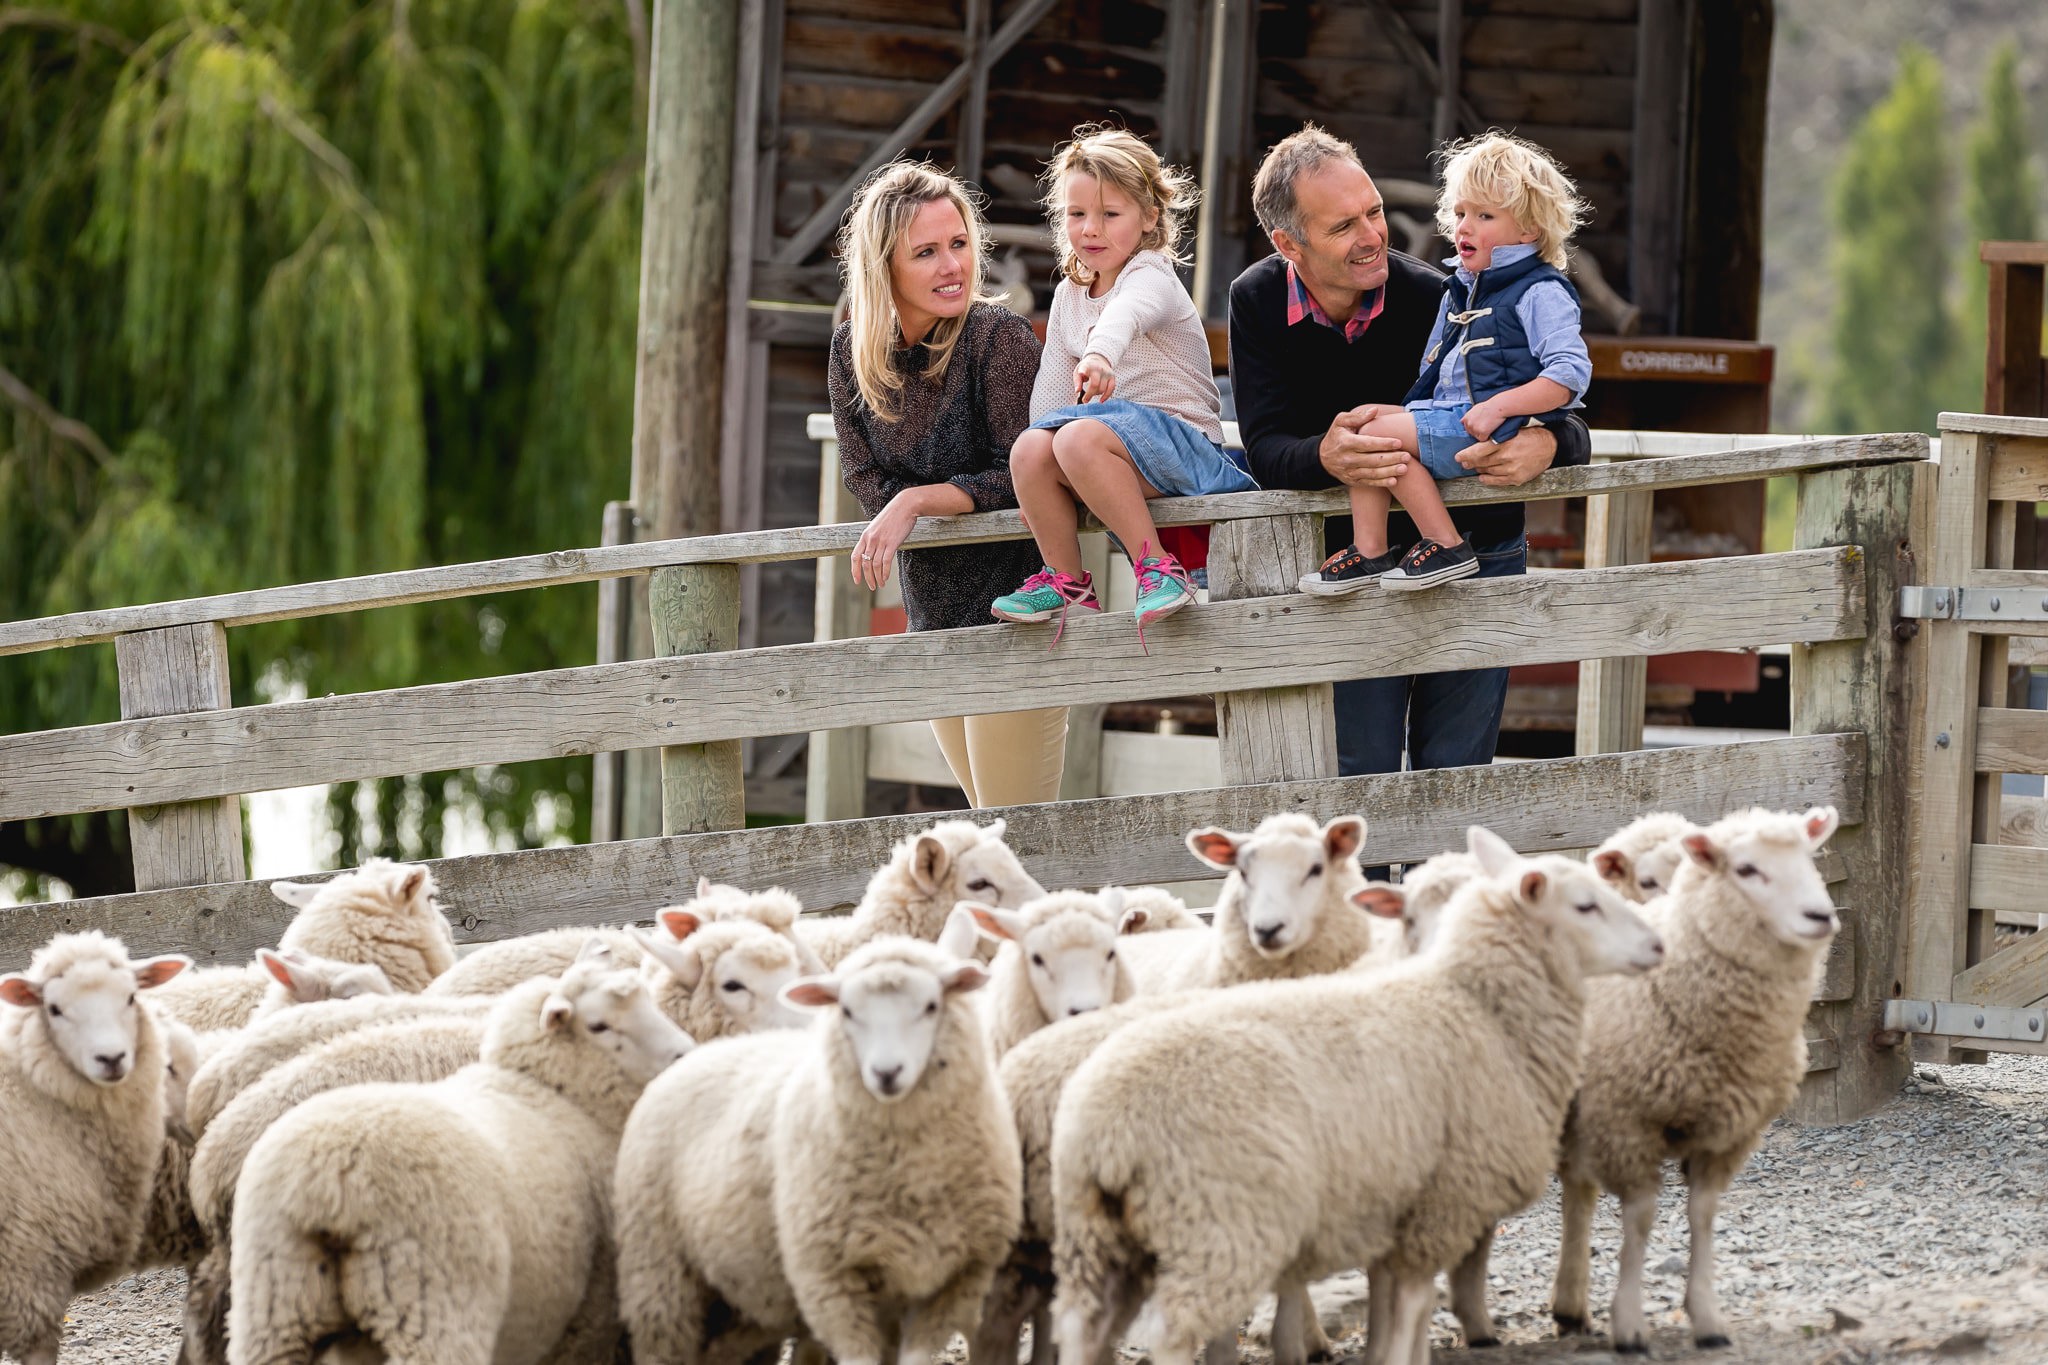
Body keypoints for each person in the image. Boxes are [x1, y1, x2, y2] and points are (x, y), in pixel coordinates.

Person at [1227, 124, 1592, 778]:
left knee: (1455, 773)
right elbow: (1266, 449)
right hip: (1360, 562)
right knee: (1359, 771)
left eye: (1374, 212)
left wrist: (1546, 443)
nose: (1372, 236)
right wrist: (1329, 457)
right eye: (1343, 227)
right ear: (1289, 244)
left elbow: (1569, 404)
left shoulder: (1439, 292)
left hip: (1480, 549)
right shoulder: (1254, 299)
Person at [828, 160, 1067, 807]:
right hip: (931, 618)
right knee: (991, 832)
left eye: (959, 244)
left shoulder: (999, 337)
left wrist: (917, 502)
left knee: (1015, 837)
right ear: (885, 267)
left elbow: (1026, 477)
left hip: (1015, 615)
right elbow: (860, 471)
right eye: (927, 252)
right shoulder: (853, 354)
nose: (952, 265)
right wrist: (900, 503)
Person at [989, 125, 1255, 647]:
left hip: (1186, 447)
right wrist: (1032, 478)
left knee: (1076, 437)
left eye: (1110, 215)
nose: (1091, 229)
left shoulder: (1151, 274)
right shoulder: (1069, 293)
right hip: (1114, 449)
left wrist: (1099, 355)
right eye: (1076, 214)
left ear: (1150, 218)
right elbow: (1050, 389)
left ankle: (1157, 567)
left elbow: (1126, 316)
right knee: (1031, 447)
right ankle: (1067, 583)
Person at [1295, 132, 1592, 594]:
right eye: (1459, 214)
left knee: (1374, 438)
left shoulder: (1540, 291)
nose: (1465, 227)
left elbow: (1569, 375)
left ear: (1529, 229)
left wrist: (1502, 408)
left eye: (1484, 216)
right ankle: (1370, 551)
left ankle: (1444, 543)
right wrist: (1410, 413)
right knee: (1363, 426)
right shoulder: (1461, 287)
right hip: (1452, 415)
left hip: (1484, 426)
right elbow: (1436, 370)